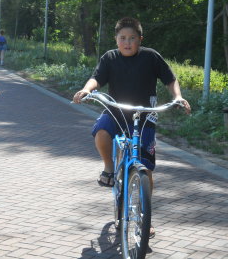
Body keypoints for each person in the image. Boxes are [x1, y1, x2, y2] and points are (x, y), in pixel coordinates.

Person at [73, 17, 191, 235]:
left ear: (140, 39)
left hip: (145, 115)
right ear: (116, 39)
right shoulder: (110, 57)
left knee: (145, 168)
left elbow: (170, 79)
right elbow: (96, 78)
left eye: (132, 38)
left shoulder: (151, 57)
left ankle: (146, 217)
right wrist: (86, 90)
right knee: (101, 132)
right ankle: (109, 167)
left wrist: (178, 97)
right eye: (122, 38)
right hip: (116, 111)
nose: (127, 43)